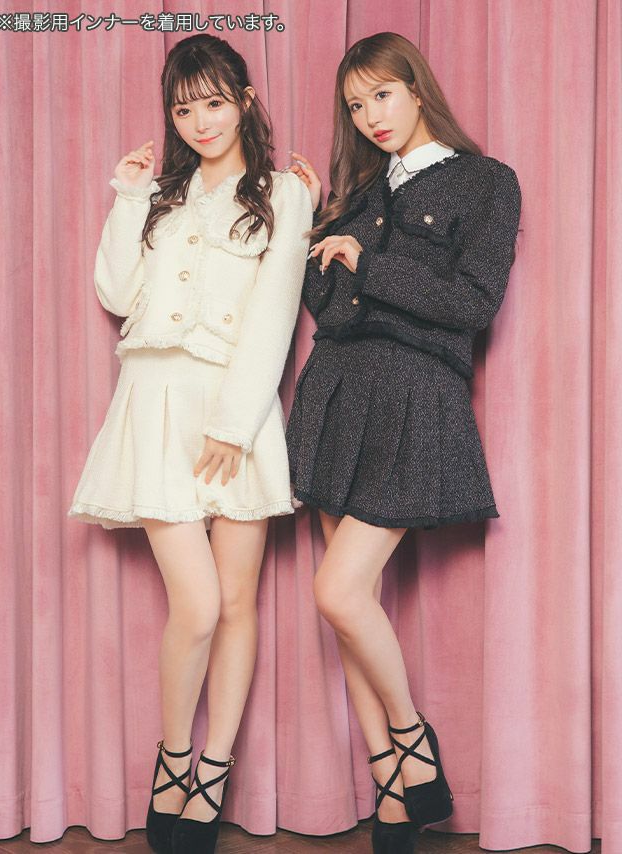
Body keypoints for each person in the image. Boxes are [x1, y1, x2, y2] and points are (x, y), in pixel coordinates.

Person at [68, 33, 311, 854]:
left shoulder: (283, 192)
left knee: (237, 604)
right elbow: (116, 292)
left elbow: (277, 310)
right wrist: (128, 195)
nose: (200, 122)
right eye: (183, 109)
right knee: (198, 606)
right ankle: (174, 757)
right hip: (154, 402)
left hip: (234, 409)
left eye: (213, 102)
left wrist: (235, 426)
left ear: (244, 100)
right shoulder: (161, 195)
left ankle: (212, 772)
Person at [286, 31, 521, 854]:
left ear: (417, 88)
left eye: (381, 94)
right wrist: (313, 225)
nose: (370, 116)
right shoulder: (355, 196)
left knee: (339, 593)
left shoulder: (487, 182)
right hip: (335, 394)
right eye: (355, 105)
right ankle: (394, 788)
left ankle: (415, 747)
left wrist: (367, 265)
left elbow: (473, 302)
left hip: (415, 396)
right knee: (352, 610)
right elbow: (327, 310)